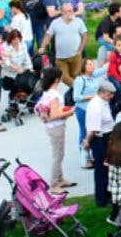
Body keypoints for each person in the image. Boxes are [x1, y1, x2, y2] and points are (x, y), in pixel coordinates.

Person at [36, 65, 75, 195]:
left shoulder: (46, 92)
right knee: (58, 155)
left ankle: (60, 178)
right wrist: (70, 112)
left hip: (51, 127)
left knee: (58, 153)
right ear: (58, 79)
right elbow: (54, 115)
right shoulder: (54, 96)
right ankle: (54, 184)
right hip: (56, 127)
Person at [40, 1, 88, 84]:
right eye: (69, 11)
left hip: (75, 56)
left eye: (72, 10)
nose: (72, 12)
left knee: (75, 75)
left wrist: (80, 50)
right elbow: (48, 36)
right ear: (62, 12)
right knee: (64, 78)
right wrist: (42, 47)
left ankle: (77, 92)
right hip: (60, 58)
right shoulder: (55, 23)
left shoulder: (78, 21)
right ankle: (79, 88)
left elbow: (85, 36)